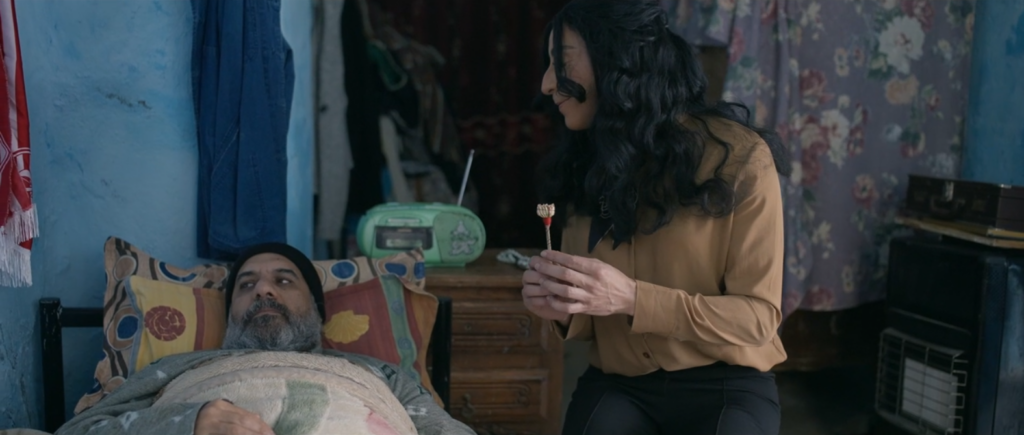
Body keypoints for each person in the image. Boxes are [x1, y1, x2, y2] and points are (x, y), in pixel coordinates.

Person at [521, 1, 792, 434]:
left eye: (563, 63)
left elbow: (756, 319)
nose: (548, 84)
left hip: (726, 381)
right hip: (621, 384)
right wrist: (562, 306)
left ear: (618, 61)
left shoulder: (739, 159)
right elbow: (590, 322)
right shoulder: (578, 163)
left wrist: (634, 298)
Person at [57, 242, 474, 435]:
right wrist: (184, 423)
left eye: (284, 280)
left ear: (318, 310)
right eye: (246, 285)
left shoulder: (380, 374)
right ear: (230, 316)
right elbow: (80, 432)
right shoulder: (175, 368)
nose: (263, 290)